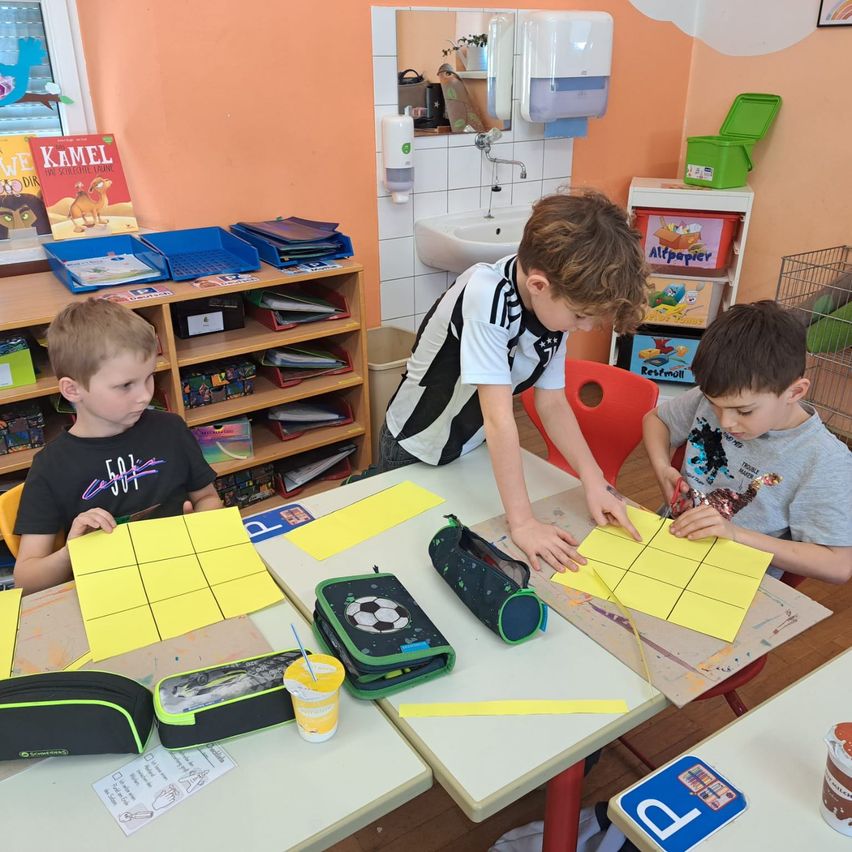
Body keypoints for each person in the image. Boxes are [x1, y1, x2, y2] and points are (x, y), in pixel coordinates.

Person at [382, 189, 650, 573]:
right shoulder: (486, 297)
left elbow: (552, 403)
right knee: (407, 558)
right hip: (415, 447)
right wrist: (522, 523)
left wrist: (594, 481)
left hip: (466, 446)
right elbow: (499, 419)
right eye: (580, 317)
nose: (587, 327)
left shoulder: (553, 296)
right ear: (539, 286)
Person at [14, 298, 222, 594]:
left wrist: (204, 523)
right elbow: (26, 579)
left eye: (149, 378)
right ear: (73, 390)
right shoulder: (50, 467)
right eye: (126, 385)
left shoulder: (171, 429)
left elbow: (207, 498)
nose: (144, 396)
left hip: (184, 573)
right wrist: (71, 552)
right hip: (112, 592)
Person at [643, 300, 852, 583]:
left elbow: (838, 567)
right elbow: (656, 420)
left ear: (794, 392)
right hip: (670, 542)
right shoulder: (721, 396)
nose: (726, 421)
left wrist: (734, 534)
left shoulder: (826, 461)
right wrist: (661, 467)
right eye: (714, 404)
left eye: (744, 411)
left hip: (734, 579)